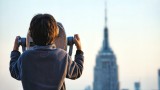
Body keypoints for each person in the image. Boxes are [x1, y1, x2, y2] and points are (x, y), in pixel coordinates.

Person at [9, 14, 84, 90]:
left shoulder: (25, 57)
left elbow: (13, 71)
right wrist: (79, 49)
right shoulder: (62, 56)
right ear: (55, 33)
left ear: (31, 34)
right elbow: (77, 71)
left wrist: (15, 49)